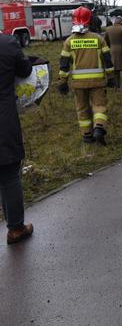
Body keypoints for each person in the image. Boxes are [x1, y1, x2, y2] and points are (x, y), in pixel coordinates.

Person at [58, 6, 115, 145]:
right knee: (99, 106)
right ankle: (99, 127)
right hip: (98, 82)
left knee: (82, 109)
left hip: (78, 84)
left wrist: (63, 82)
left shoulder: (69, 41)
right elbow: (107, 60)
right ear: (90, 20)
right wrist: (111, 77)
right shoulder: (98, 39)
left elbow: (64, 65)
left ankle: (87, 136)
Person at [0, 33, 34, 244]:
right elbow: (25, 70)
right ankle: (16, 229)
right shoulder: (7, 43)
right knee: (9, 174)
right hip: (3, 119)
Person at [104, 16, 122, 89]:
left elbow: (105, 40)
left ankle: (117, 85)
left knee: (115, 68)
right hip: (121, 49)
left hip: (112, 49)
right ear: (120, 22)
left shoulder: (108, 29)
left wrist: (108, 47)